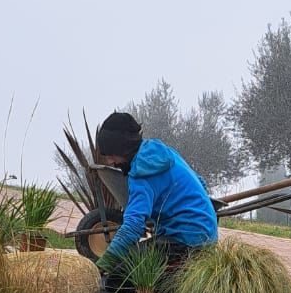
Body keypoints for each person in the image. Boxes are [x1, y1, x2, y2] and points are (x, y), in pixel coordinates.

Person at [93, 112, 218, 283]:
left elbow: (132, 227)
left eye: (111, 155)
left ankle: (181, 281)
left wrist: (101, 267)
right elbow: (201, 183)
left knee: (116, 279)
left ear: (122, 148)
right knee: (131, 261)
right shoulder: (163, 153)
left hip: (184, 244)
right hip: (207, 239)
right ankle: (186, 271)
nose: (109, 162)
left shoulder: (142, 174)